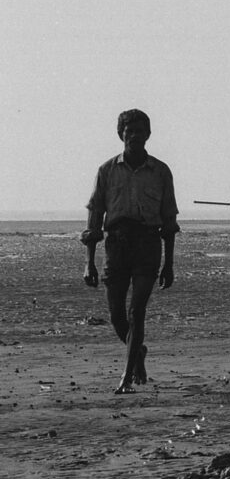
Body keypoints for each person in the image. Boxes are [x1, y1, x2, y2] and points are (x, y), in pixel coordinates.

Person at [81, 109, 178, 394]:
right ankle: (137, 353)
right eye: (129, 131)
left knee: (137, 310)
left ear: (148, 135)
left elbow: (170, 222)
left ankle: (126, 376)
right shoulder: (107, 170)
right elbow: (94, 220)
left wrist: (169, 265)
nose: (134, 136)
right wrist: (89, 263)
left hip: (148, 245)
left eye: (140, 131)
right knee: (116, 316)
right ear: (121, 134)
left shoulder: (161, 171)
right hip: (116, 246)